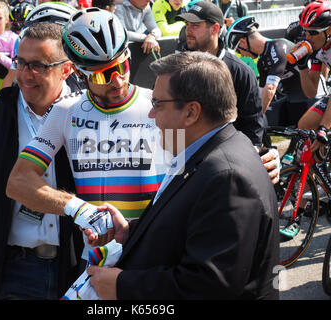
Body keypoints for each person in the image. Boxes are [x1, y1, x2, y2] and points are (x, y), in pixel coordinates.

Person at [86, 51, 280, 300]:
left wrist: (122, 286)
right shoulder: (209, 153)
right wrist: (129, 232)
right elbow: (188, 229)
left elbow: (209, 286)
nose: (151, 115)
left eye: (157, 104)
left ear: (191, 112)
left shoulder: (227, 176)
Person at [6, 8, 169, 265]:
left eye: (122, 66)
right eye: (105, 74)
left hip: (153, 254)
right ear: (80, 73)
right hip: (96, 261)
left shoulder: (160, 104)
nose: (118, 81)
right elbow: (17, 182)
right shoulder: (65, 111)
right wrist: (77, 208)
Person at [0, 22, 84, 300]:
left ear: (67, 69)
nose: (26, 74)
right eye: (22, 63)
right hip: (12, 272)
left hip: (76, 271)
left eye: (38, 65)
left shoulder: (86, 118)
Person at [175, 1, 279, 184]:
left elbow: (253, 126)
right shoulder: (175, 67)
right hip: (185, 165)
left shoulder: (240, 72)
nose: (188, 30)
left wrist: (244, 165)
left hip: (227, 169)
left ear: (214, 28)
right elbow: (167, 117)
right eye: (187, 25)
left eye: (195, 25)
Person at [225, 16, 312, 129]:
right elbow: (261, 95)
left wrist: (255, 122)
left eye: (238, 50)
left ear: (243, 42)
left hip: (311, 100)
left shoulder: (279, 46)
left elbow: (270, 90)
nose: (241, 55)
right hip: (294, 101)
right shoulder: (261, 62)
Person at [296, 0, 331, 154]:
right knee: (305, 125)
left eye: (313, 32)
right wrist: (302, 67)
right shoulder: (320, 48)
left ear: (329, 30)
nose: (308, 37)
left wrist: (324, 127)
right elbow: (311, 92)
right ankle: (316, 175)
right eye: (306, 31)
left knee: (323, 131)